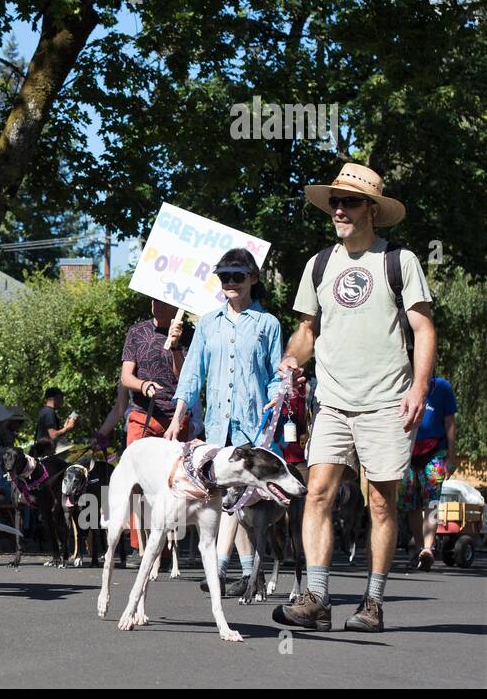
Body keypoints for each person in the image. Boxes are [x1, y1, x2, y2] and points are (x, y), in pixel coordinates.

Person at [274, 163, 435, 633]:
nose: (339, 210)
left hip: (387, 402)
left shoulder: (399, 262)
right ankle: (317, 599)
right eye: (334, 203)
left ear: (372, 210)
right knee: (318, 492)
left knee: (382, 504)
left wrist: (420, 387)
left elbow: (423, 328)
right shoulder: (319, 264)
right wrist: (290, 362)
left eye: (349, 202)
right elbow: (307, 330)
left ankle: (373, 603)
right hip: (332, 402)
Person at [168, 248, 283, 597]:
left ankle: (220, 567)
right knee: (231, 497)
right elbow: (192, 374)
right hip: (218, 427)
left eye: (237, 276)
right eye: (224, 277)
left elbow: (277, 376)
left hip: (254, 426)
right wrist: (177, 419)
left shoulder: (268, 324)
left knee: (238, 498)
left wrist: (278, 394)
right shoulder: (207, 323)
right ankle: (248, 576)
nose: (230, 282)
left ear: (253, 278)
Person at [401, 375, 457, 571]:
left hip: (435, 451)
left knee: (432, 501)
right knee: (411, 504)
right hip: (408, 451)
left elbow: (449, 422)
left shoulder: (442, 387)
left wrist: (451, 456)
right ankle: (418, 547)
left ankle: (428, 548)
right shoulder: (402, 384)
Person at [121, 299, 192, 445]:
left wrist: (175, 346)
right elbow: (126, 378)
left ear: (178, 306)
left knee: (173, 468)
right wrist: (144, 385)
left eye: (165, 302)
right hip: (142, 415)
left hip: (176, 419)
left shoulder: (190, 334)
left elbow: (184, 378)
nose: (158, 306)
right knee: (138, 466)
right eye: (155, 301)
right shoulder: (137, 331)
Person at [36, 388, 76, 452]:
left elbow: (49, 434)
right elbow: (53, 435)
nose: (62, 401)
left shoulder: (44, 411)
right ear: (56, 397)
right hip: (46, 455)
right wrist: (67, 428)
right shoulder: (49, 412)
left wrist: (65, 427)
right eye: (61, 398)